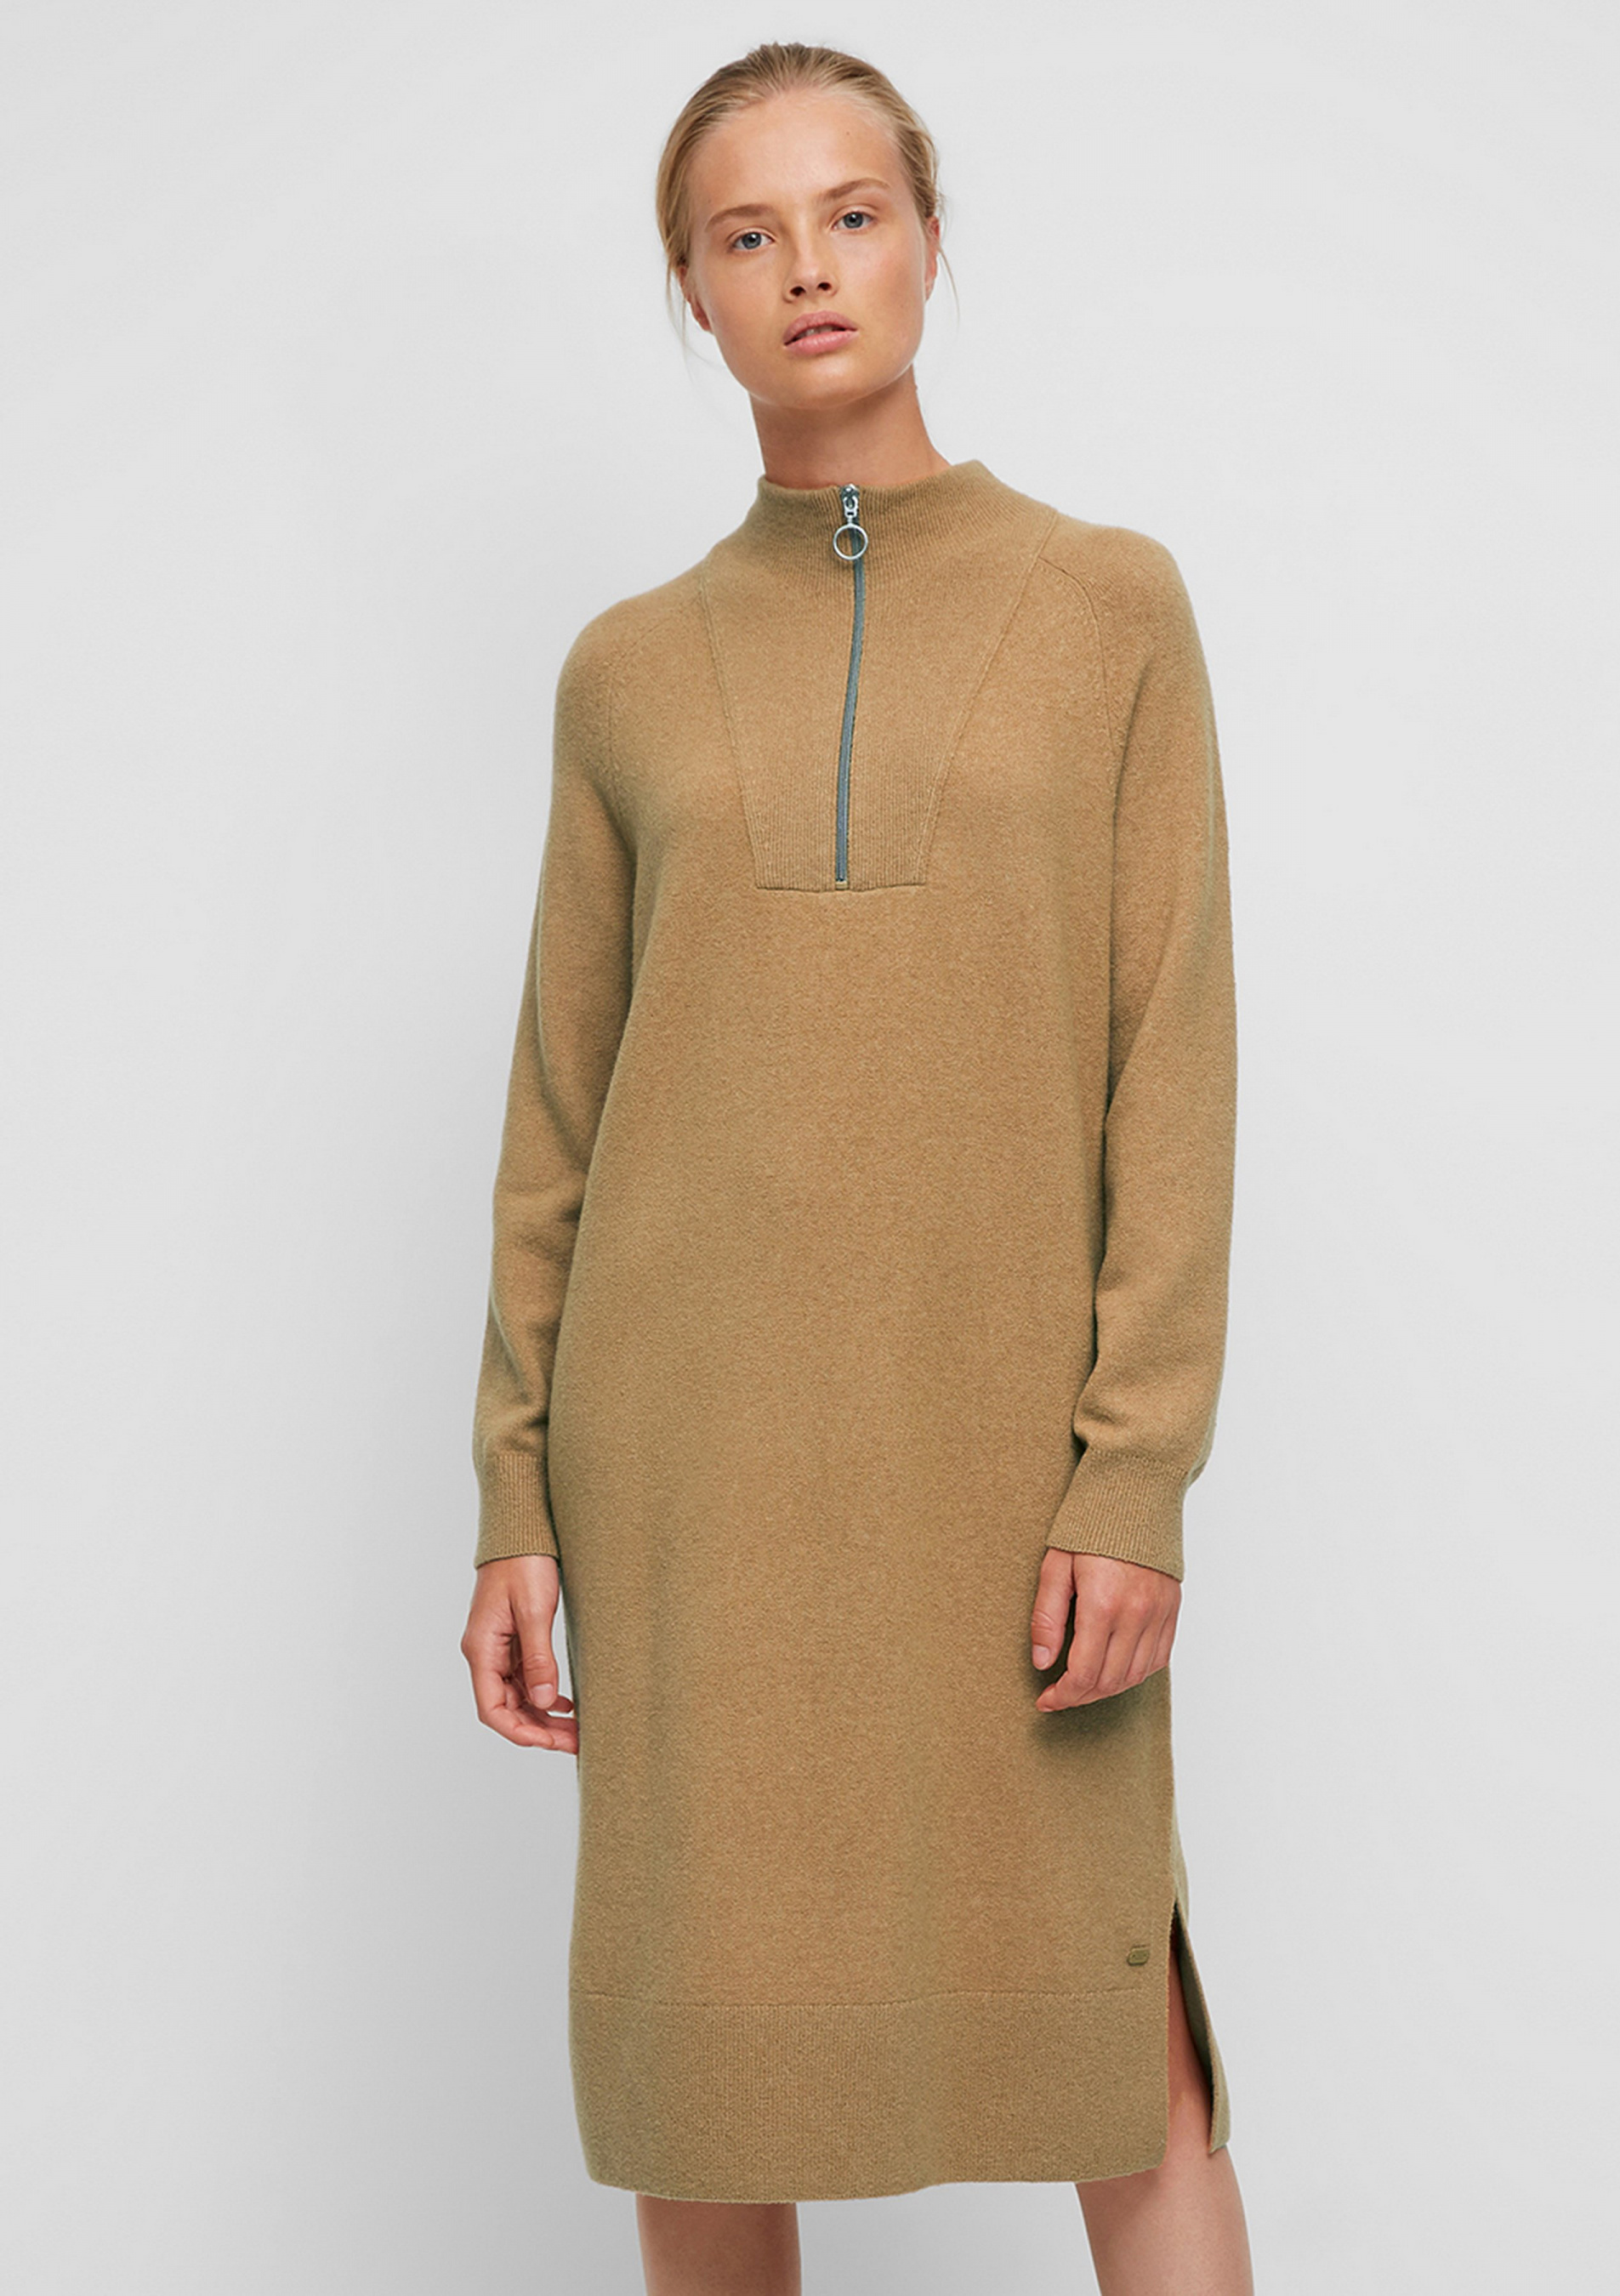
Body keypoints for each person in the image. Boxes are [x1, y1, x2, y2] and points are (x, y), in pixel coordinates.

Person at [461, 39, 1253, 2296]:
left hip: (1004, 1466)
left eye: (851, 213)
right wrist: (514, 1490)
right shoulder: (627, 672)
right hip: (691, 1477)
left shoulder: (1107, 605)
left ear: (923, 245)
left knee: (1122, 2059)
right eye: (748, 232)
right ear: (691, 290)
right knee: (707, 2076)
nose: (806, 266)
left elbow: (1172, 1060)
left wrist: (1133, 1472)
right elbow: (560, 1111)